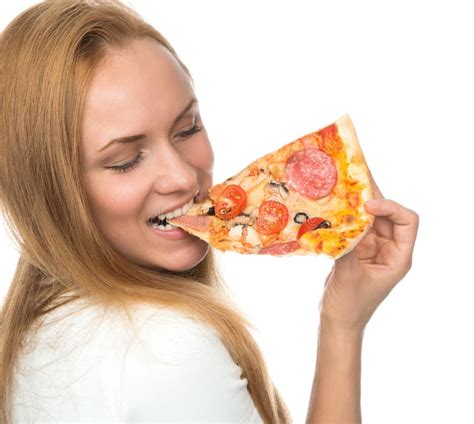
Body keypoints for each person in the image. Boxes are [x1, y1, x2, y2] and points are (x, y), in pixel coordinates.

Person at [0, 1, 419, 423]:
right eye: (126, 160)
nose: (182, 176)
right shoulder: (165, 350)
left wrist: (342, 323)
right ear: (48, 192)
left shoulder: (41, 330)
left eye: (187, 129)